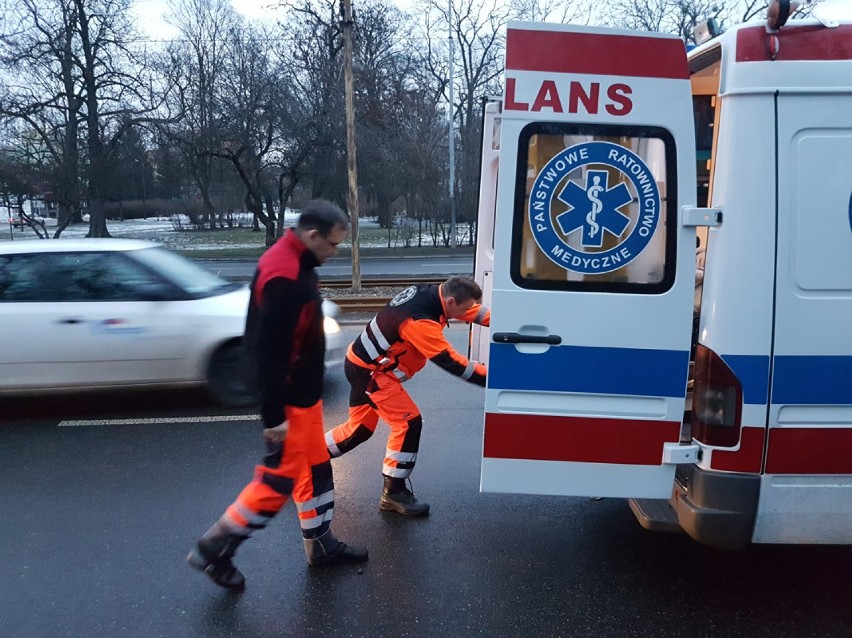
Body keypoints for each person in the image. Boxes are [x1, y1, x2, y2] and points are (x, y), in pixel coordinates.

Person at [187, 200, 367, 591]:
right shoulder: (285, 275)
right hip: (288, 402)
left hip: (303, 394)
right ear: (312, 235)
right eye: (333, 245)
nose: (335, 253)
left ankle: (320, 546)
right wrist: (274, 417)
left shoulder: (296, 260)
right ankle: (214, 549)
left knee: (317, 468)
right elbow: (265, 352)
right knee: (275, 485)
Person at [325, 276, 489, 516]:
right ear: (451, 300)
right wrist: (497, 378)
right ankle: (393, 493)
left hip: (364, 364)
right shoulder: (419, 321)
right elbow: (454, 364)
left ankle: (304, 462)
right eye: (463, 308)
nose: (467, 313)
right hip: (372, 372)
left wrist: (508, 321)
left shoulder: (433, 295)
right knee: (408, 422)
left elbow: (471, 311)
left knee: (358, 429)